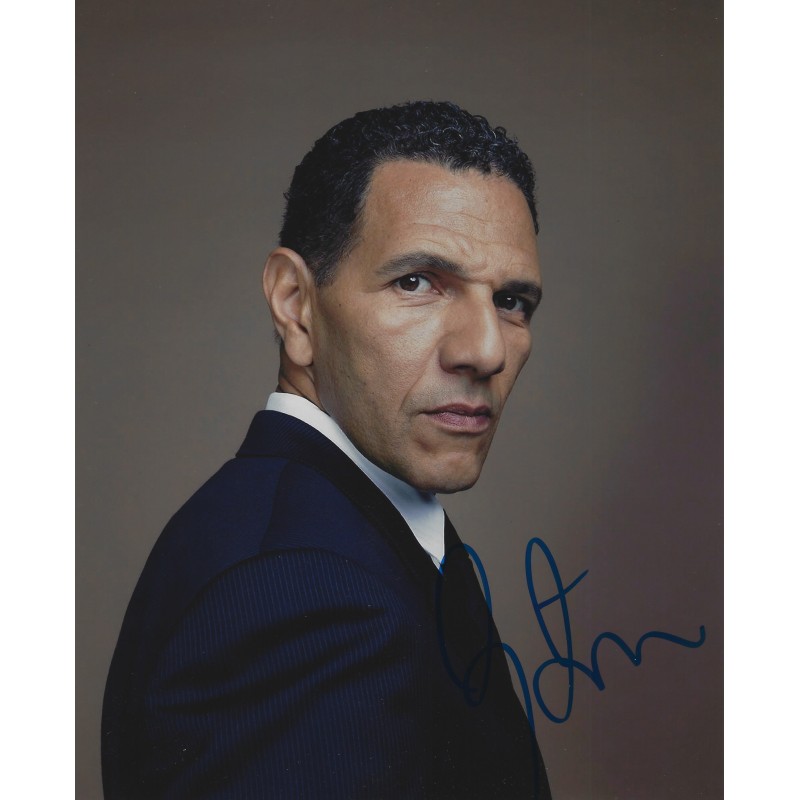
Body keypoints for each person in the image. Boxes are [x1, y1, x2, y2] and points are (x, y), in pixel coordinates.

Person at [102, 100, 551, 799]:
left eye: (512, 301)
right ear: (295, 303)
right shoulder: (308, 590)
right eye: (417, 282)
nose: (486, 349)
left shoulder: (336, 533)